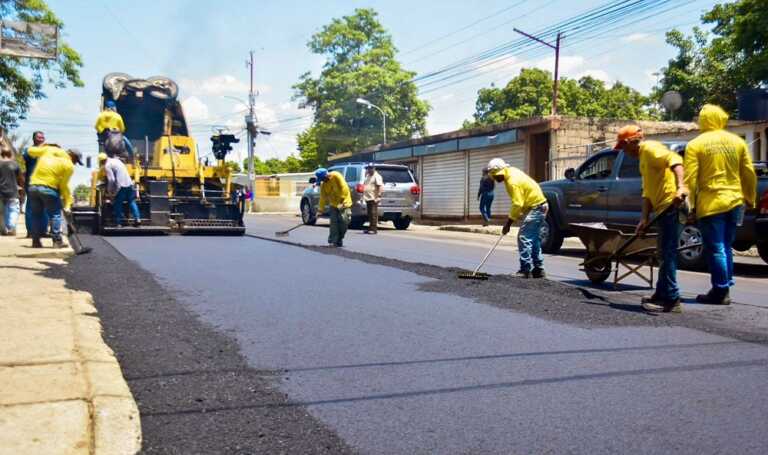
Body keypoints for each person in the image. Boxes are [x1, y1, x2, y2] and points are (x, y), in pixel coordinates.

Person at [685, 104, 757, 305]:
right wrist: (750, 197)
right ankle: (725, 285)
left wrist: (689, 206)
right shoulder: (737, 142)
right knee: (726, 246)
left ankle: (720, 290)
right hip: (735, 201)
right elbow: (749, 173)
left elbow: (690, 179)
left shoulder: (696, 144)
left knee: (716, 248)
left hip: (712, 203)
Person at [614, 125, 688, 313]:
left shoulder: (651, 149)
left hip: (672, 206)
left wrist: (681, 187)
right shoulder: (642, 159)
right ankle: (661, 293)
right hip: (661, 209)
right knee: (663, 252)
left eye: (623, 147)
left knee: (668, 252)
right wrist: (644, 218)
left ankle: (671, 299)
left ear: (631, 142)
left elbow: (676, 160)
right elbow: (647, 192)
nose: (623, 151)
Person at [487, 158, 548, 278]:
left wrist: (508, 224)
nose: (495, 179)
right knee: (533, 238)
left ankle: (525, 270)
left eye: (495, 176)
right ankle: (539, 269)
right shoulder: (511, 171)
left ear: (499, 173)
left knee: (524, 237)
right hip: (541, 206)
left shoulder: (512, 181)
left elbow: (517, 203)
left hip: (536, 208)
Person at [27, 144, 83, 248]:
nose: (75, 164)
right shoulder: (69, 165)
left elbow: (30, 151)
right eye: (76, 161)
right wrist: (67, 201)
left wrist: (44, 146)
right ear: (72, 155)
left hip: (33, 187)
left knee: (36, 215)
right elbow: (63, 185)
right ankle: (57, 241)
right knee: (55, 215)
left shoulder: (49, 149)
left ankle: (35, 241)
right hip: (49, 189)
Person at [315, 167, 352, 247]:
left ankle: (339, 239)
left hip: (344, 203)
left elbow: (344, 188)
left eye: (323, 179)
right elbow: (323, 198)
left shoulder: (336, 175)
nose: (322, 181)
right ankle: (333, 241)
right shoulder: (323, 185)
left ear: (326, 175)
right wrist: (320, 210)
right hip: (334, 204)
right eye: (321, 180)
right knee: (334, 223)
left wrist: (341, 200)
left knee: (344, 222)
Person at [22, 131, 48, 236]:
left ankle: (43, 231)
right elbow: (25, 157)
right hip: (32, 182)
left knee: (45, 206)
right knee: (31, 207)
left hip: (45, 181)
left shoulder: (47, 151)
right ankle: (31, 231)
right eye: (39, 137)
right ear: (34, 139)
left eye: (43, 137)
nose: (41, 139)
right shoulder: (28, 150)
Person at [105, 153, 141, 227]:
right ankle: (137, 219)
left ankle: (118, 222)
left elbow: (111, 179)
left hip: (121, 185)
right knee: (132, 201)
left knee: (118, 203)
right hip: (130, 184)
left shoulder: (107, 165)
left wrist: (110, 192)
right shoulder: (117, 161)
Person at [0, 147, 23, 236]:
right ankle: (11, 227)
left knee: (2, 212)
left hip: (1, 192)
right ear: (10, 154)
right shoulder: (15, 165)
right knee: (13, 210)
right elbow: (20, 179)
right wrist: (21, 189)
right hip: (13, 192)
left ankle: (4, 229)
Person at [363, 163, 383, 234]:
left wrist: (379, 196)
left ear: (374, 168)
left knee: (373, 213)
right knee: (369, 214)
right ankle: (370, 228)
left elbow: (380, 186)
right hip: (368, 198)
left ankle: (374, 229)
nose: (369, 169)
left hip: (373, 198)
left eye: (371, 168)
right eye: (368, 168)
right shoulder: (368, 176)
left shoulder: (377, 176)